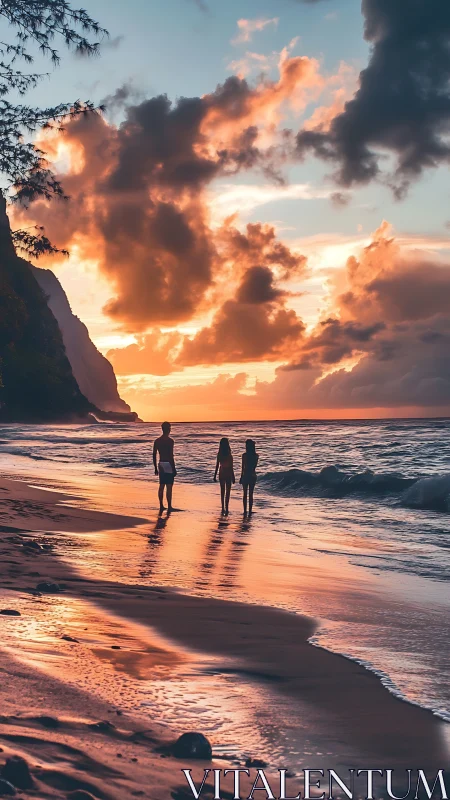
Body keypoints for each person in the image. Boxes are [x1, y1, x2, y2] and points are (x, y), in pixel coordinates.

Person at [153, 422, 176, 515]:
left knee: (161, 485)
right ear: (168, 429)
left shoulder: (157, 441)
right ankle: (169, 506)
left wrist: (155, 467)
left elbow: (154, 455)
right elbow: (171, 456)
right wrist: (174, 468)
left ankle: (161, 505)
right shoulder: (170, 441)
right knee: (169, 486)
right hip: (168, 464)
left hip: (161, 463)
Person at [214, 437, 235, 514]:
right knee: (228, 491)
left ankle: (223, 507)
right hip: (228, 473)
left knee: (222, 491)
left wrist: (215, 475)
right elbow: (231, 467)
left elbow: (217, 465)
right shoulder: (229, 455)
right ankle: (227, 507)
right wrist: (233, 477)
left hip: (221, 473)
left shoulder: (219, 454)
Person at [240, 439, 258, 515]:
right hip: (253, 475)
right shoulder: (256, 456)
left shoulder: (244, 455)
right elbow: (254, 466)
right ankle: (250, 510)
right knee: (251, 494)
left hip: (246, 475)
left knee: (245, 494)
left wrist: (241, 476)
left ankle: (245, 510)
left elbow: (243, 467)